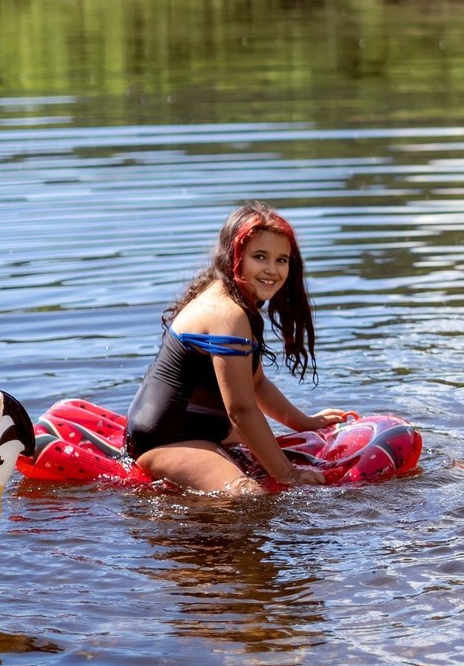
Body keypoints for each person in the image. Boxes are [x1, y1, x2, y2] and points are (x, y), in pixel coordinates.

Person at [125, 201, 349, 494]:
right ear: (235, 257)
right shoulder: (226, 313)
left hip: (201, 430)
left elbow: (255, 382)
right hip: (166, 440)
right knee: (248, 496)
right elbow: (241, 411)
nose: (272, 270)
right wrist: (289, 475)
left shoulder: (241, 305)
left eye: (282, 260)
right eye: (260, 257)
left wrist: (303, 422)